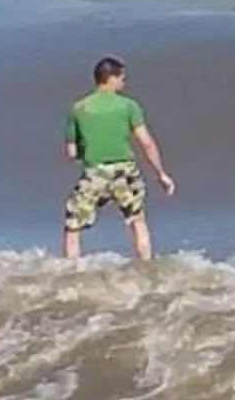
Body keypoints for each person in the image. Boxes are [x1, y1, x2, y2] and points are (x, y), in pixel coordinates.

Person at [61, 56, 175, 261]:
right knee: (136, 220)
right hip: (125, 171)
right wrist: (161, 174)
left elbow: (71, 152)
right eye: (122, 78)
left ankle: (72, 271)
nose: (124, 82)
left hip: (95, 171)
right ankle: (145, 266)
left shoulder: (78, 108)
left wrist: (90, 151)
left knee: (73, 226)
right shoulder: (128, 106)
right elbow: (146, 142)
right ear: (111, 78)